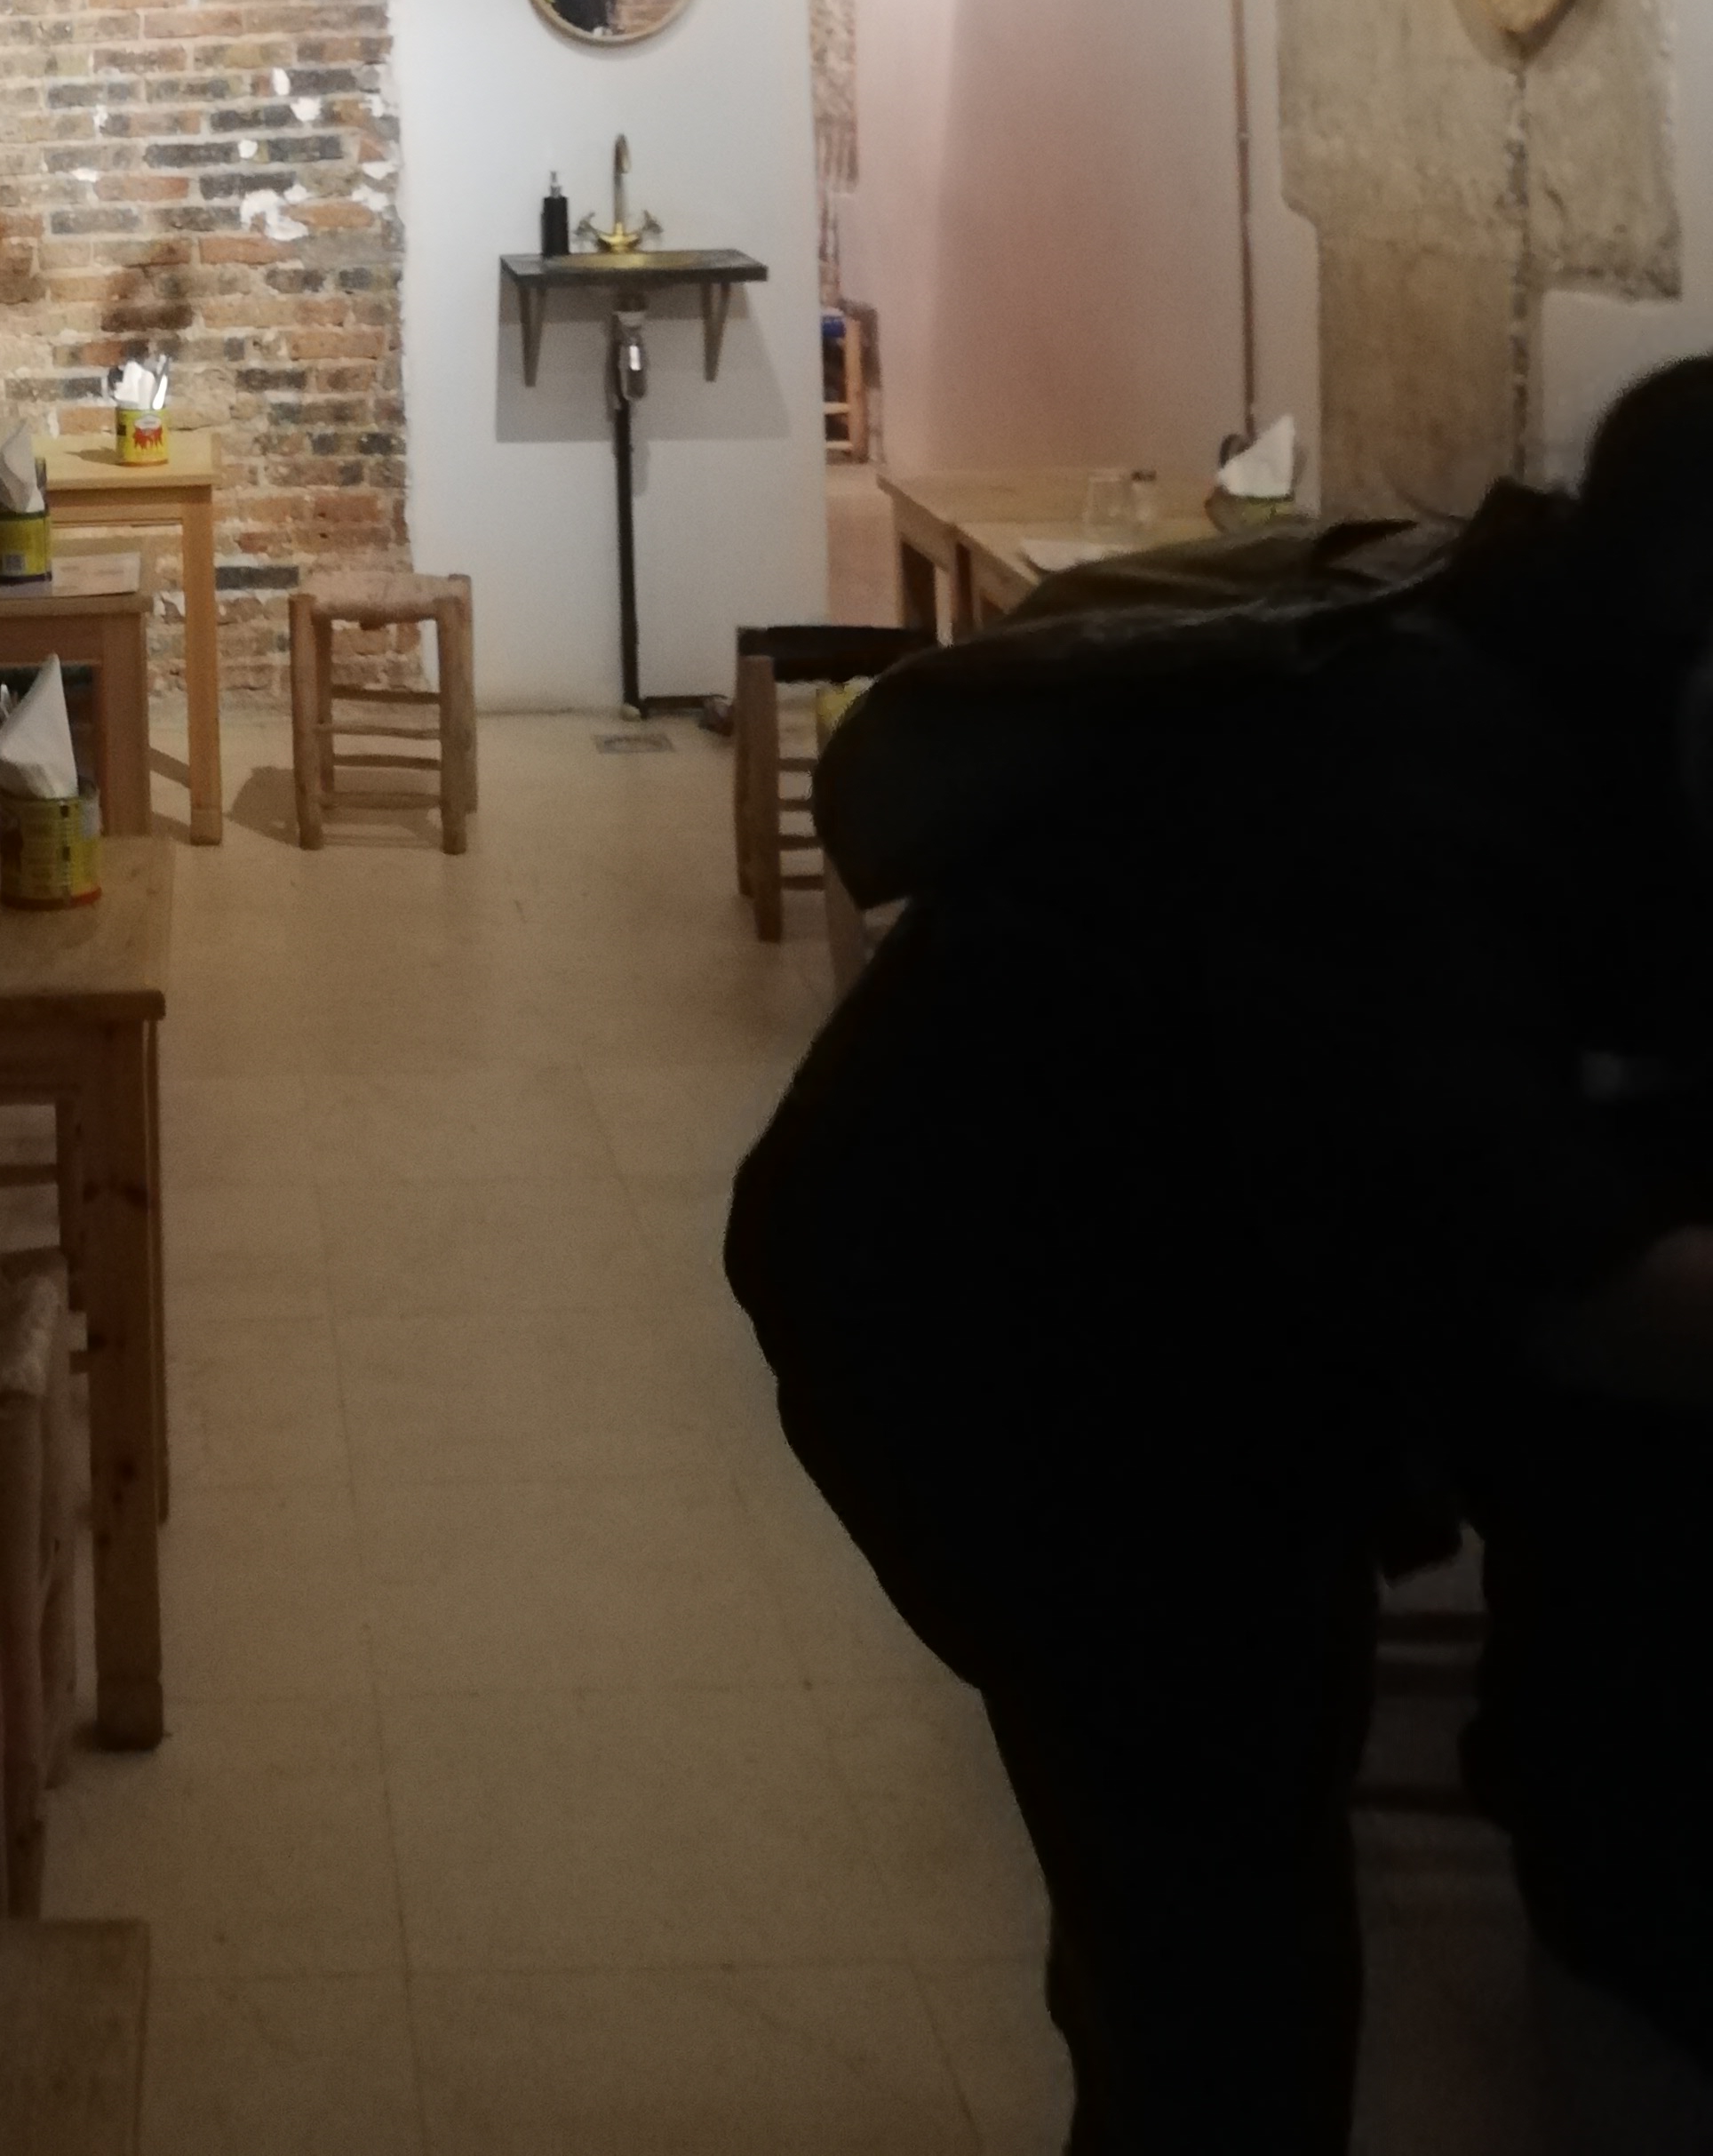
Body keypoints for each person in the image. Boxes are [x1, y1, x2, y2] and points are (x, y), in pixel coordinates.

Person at [723, 360, 1713, 2152]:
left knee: (1207, 1887)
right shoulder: (1413, 764)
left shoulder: (1565, 696)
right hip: (1014, 1333)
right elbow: (1559, 1283)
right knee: (1219, 1944)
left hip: (1147, 1314)